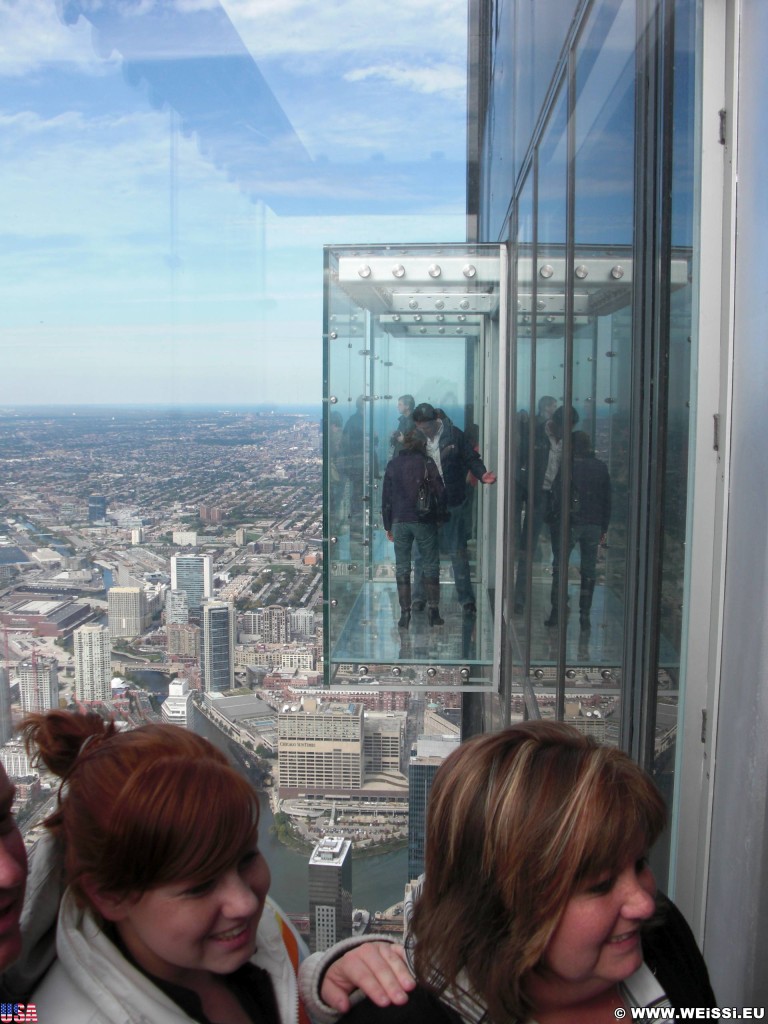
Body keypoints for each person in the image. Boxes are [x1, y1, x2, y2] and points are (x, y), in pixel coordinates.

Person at [301, 722, 715, 1024]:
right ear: (500, 903)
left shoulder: (661, 938)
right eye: (600, 885)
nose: (644, 902)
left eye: (640, 864)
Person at [16, 711, 414, 1024]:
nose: (244, 901)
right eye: (200, 886)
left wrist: (321, 985)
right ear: (109, 895)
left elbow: (276, 981)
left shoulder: (239, 931)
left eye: (246, 858)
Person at [411, 403, 496, 615]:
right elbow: (401, 464)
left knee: (458, 551)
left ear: (435, 420)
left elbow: (471, 458)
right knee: (422, 554)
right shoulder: (414, 437)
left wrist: (481, 474)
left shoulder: (453, 435)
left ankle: (466, 600)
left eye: (427, 426)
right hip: (426, 503)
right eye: (421, 427)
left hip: (452, 501)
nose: (425, 430)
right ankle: (419, 598)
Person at [382, 431, 447, 628]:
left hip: (399, 521)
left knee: (402, 567)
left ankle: (405, 614)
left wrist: (387, 525)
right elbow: (440, 492)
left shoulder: (393, 465)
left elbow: (386, 499)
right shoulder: (427, 463)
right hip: (424, 520)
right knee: (430, 565)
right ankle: (433, 612)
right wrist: (440, 518)